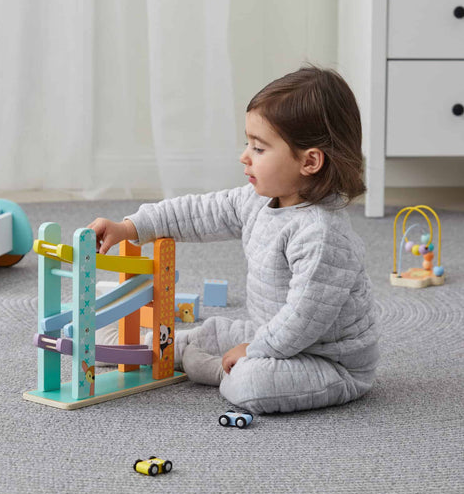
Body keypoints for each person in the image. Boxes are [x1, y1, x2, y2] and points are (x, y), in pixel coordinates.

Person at [88, 65, 380, 414]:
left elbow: (301, 322)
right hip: (271, 332)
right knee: (208, 333)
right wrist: (129, 227)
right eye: (248, 143)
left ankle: (213, 369)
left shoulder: (322, 235)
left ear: (310, 161)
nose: (244, 156)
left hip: (328, 360)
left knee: (251, 384)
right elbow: (198, 213)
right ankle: (152, 346)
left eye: (258, 148)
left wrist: (254, 350)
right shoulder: (258, 199)